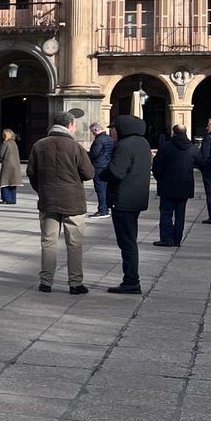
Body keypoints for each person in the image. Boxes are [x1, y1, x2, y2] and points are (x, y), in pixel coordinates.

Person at [27, 110, 95, 295]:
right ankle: (75, 283)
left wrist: (42, 190)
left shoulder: (39, 145)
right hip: (73, 202)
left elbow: (31, 173)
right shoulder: (76, 147)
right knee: (74, 244)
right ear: (70, 125)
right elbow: (89, 173)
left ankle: (46, 282)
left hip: (48, 201)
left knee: (48, 242)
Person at [103, 114, 151, 295]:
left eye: (113, 129)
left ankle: (131, 281)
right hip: (136, 198)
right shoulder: (143, 143)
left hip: (123, 199)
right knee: (129, 240)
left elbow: (117, 171)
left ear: (121, 129)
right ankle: (131, 280)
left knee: (127, 242)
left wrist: (102, 174)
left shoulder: (124, 145)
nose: (111, 133)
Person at [152, 125, 196, 247]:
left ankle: (166, 239)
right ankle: (177, 240)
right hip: (185, 185)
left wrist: (159, 178)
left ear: (173, 133)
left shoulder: (165, 146)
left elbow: (157, 165)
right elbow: (201, 162)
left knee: (166, 213)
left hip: (167, 184)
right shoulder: (192, 148)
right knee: (180, 214)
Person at [87, 121, 113, 218]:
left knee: (100, 188)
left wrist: (86, 155)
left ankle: (102, 210)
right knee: (106, 188)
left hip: (99, 166)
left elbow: (94, 153)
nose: (92, 133)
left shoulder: (99, 140)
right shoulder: (109, 138)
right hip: (107, 165)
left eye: (92, 131)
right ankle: (106, 209)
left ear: (95, 130)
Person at [0, 128, 22, 204]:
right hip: (15, 166)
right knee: (13, 183)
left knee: (5, 182)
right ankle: (13, 199)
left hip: (7, 165)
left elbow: (1, 154)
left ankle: (6, 199)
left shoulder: (5, 143)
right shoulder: (14, 143)